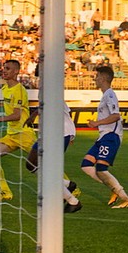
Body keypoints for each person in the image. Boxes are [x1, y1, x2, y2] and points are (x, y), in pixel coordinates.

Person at [0, 59, 37, 202]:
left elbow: (17, 116)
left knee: (44, 162)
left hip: (24, 134)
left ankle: (71, 188)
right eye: (4, 68)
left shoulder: (19, 90)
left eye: (8, 68)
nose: (4, 71)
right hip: (11, 135)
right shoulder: (5, 88)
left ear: (16, 71)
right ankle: (5, 191)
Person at [23, 72, 82, 213]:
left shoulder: (52, 88)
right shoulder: (44, 89)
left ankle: (73, 201)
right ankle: (66, 184)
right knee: (31, 163)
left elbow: (59, 110)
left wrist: (69, 133)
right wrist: (33, 116)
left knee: (49, 170)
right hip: (49, 133)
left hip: (59, 133)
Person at [80, 65, 128, 209]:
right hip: (103, 136)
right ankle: (114, 188)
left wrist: (97, 123)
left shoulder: (110, 95)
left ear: (103, 78)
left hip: (111, 136)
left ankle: (126, 198)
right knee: (86, 165)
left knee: (101, 169)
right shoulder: (105, 95)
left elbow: (116, 116)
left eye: (97, 76)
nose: (95, 79)